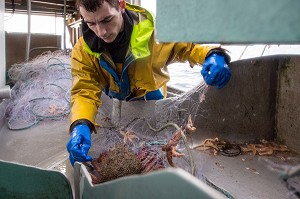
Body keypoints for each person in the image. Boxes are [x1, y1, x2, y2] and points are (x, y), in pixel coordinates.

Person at [67, 0, 231, 166]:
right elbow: (84, 90)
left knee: (158, 157)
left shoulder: (155, 32)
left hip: (153, 101)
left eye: (107, 20)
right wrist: (81, 123)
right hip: (116, 106)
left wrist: (212, 54)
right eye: (91, 23)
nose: (101, 32)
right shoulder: (82, 50)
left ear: (121, 5)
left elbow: (189, 46)